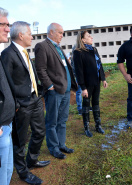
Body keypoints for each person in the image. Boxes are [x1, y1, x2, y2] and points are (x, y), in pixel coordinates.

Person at [1, 21, 50, 185]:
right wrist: (15, 104)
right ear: (21, 35)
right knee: (20, 141)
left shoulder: (25, 52)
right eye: (29, 33)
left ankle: (32, 161)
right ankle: (23, 172)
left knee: (40, 132)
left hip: (34, 99)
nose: (32, 36)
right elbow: (5, 83)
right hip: (21, 104)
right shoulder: (8, 54)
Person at [35, 23, 77, 159]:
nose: (62, 35)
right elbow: (40, 69)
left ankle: (61, 144)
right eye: (60, 32)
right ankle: (53, 147)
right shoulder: (42, 46)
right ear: (51, 32)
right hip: (55, 91)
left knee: (62, 119)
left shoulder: (57, 47)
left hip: (65, 90)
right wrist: (49, 86)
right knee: (52, 121)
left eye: (62, 33)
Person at [73, 31, 108, 137]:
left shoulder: (94, 49)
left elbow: (99, 64)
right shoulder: (78, 52)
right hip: (87, 83)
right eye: (88, 36)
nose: (91, 37)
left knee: (96, 103)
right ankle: (87, 128)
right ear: (82, 39)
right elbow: (79, 71)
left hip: (96, 81)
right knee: (86, 105)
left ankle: (98, 126)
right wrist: (83, 87)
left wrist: (103, 79)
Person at [0, 7, 15, 185]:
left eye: (8, 24)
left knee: (7, 173)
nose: (8, 29)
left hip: (7, 124)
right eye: (3, 24)